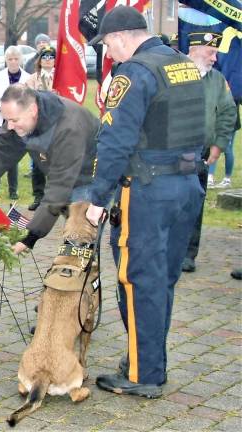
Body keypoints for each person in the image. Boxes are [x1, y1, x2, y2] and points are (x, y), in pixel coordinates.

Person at [85, 5, 207, 398]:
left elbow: (116, 140)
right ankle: (147, 358)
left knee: (138, 281)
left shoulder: (134, 72)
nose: (108, 54)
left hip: (148, 191)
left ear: (120, 37)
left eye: (107, 45)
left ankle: (144, 374)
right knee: (163, 280)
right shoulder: (182, 64)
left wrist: (98, 198)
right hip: (187, 186)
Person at [0, 84, 99, 253]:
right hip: (64, 177)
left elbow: (59, 187)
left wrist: (31, 236)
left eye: (14, 120)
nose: (9, 126)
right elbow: (0, 152)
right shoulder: (21, 118)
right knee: (75, 238)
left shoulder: (69, 128)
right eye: (7, 120)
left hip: (88, 179)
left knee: (78, 244)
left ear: (33, 110)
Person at [181, 30, 236, 272]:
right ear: (193, 50)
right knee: (170, 203)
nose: (215, 58)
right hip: (171, 152)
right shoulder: (174, 74)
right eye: (211, 52)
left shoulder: (217, 80)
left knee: (195, 203)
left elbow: (228, 113)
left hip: (201, 153)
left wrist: (218, 145)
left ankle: (188, 254)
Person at [0, 46, 30, 200]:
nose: (13, 62)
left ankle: (13, 189)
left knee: (13, 156)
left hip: (18, 124)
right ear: (6, 60)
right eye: (10, 59)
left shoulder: (28, 78)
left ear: (21, 60)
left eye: (16, 59)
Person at [25, 45, 56, 211]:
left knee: (55, 162)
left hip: (56, 125)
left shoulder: (61, 78)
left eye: (51, 57)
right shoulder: (31, 80)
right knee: (37, 162)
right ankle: (38, 196)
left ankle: (53, 197)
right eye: (45, 57)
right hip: (37, 125)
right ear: (39, 60)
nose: (48, 60)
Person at [207, 98, 240, 188]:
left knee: (227, 149)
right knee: (214, 146)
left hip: (229, 121)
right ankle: (210, 177)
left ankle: (226, 179)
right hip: (221, 119)